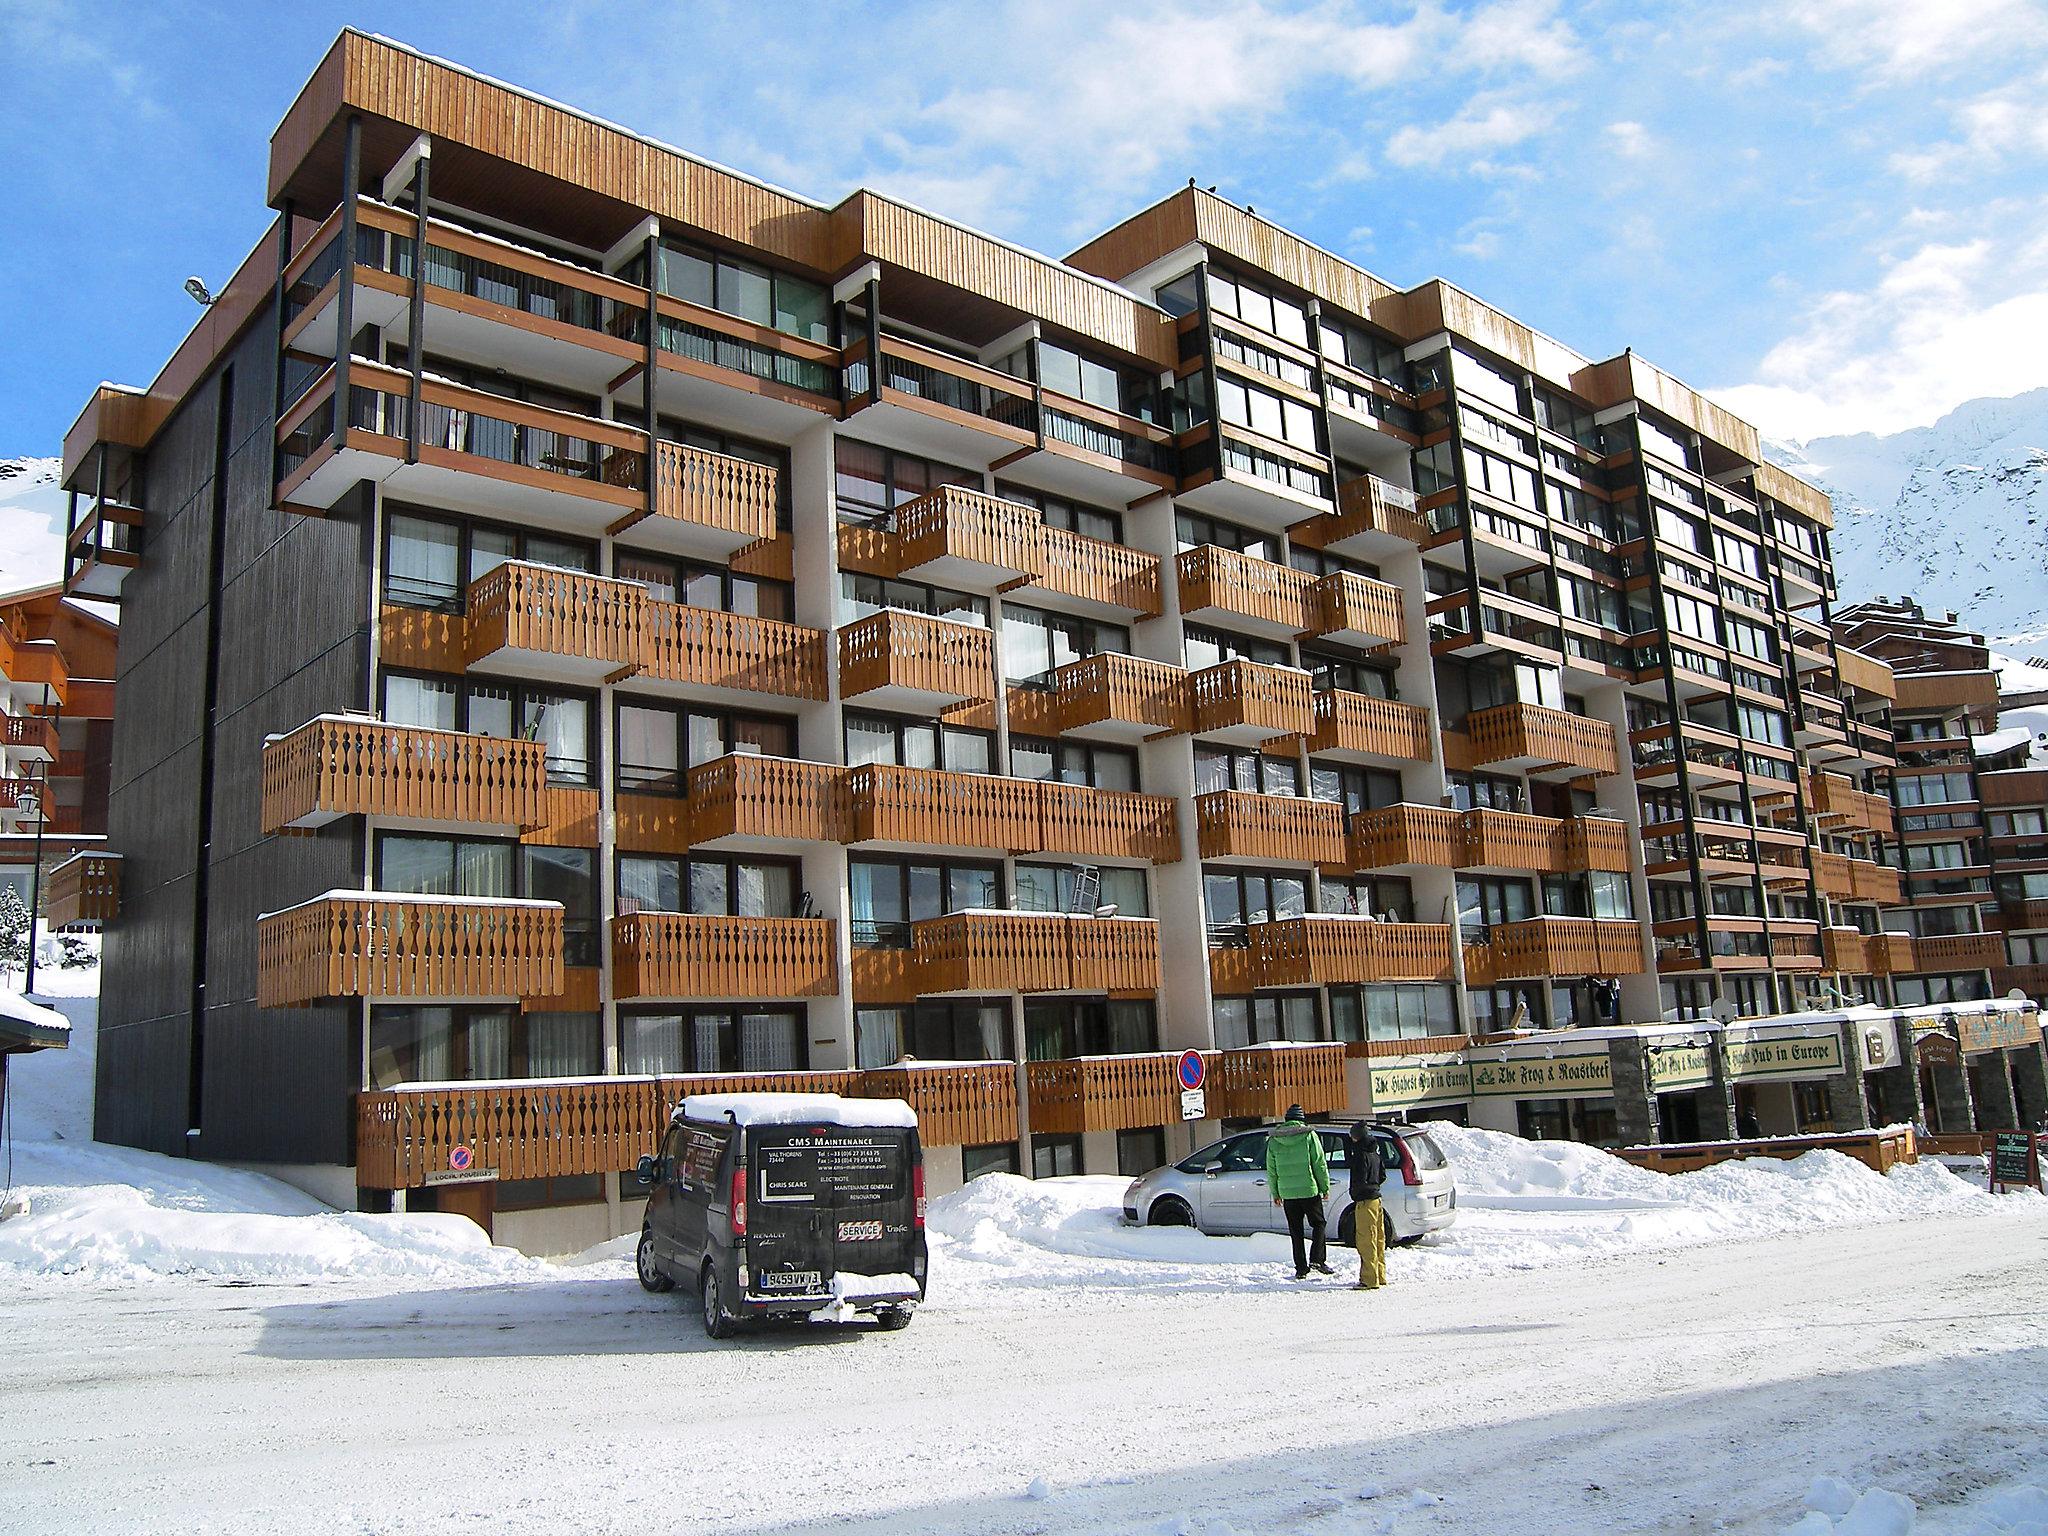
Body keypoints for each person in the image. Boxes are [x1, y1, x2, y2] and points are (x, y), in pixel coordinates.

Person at [1265, 1104, 1333, 1279]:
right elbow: (1319, 1163)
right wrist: (1324, 1187)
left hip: (1287, 1193)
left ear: (1286, 1120)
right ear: (1302, 1120)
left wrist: (1276, 1193)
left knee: (1296, 1231)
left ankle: (1301, 1268)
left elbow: (1271, 1170)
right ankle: (1317, 1259)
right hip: (1309, 1190)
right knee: (1318, 1224)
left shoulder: (1274, 1140)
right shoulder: (1309, 1135)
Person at [1347, 1119, 1387, 1291]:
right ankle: (1380, 1274)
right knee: (1378, 1238)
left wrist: (1355, 1194)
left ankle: (1369, 1279)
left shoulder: (1360, 1155)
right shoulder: (1374, 1153)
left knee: (1365, 1240)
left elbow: (1359, 1180)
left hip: (1365, 1201)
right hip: (1377, 1199)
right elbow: (1382, 1176)